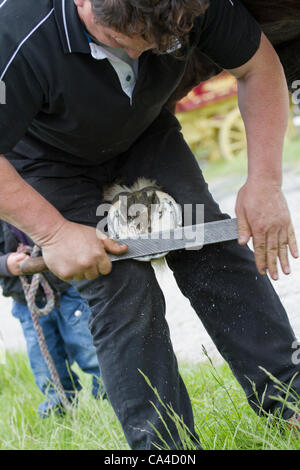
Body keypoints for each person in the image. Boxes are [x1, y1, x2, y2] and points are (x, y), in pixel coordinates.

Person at [0, 0, 299, 449]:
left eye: (155, 46)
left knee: (211, 248)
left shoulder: (190, 4)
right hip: (47, 161)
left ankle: (289, 399)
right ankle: (165, 451)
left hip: (144, 136)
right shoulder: (15, 35)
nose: (136, 57)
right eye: (122, 43)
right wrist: (54, 233)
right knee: (119, 287)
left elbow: (258, 67)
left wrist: (265, 181)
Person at [0, 221, 103, 417]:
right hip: (26, 301)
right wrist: (6, 264)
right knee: (45, 363)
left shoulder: (44, 193)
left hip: (69, 288)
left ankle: (110, 394)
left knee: (91, 347)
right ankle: (57, 406)